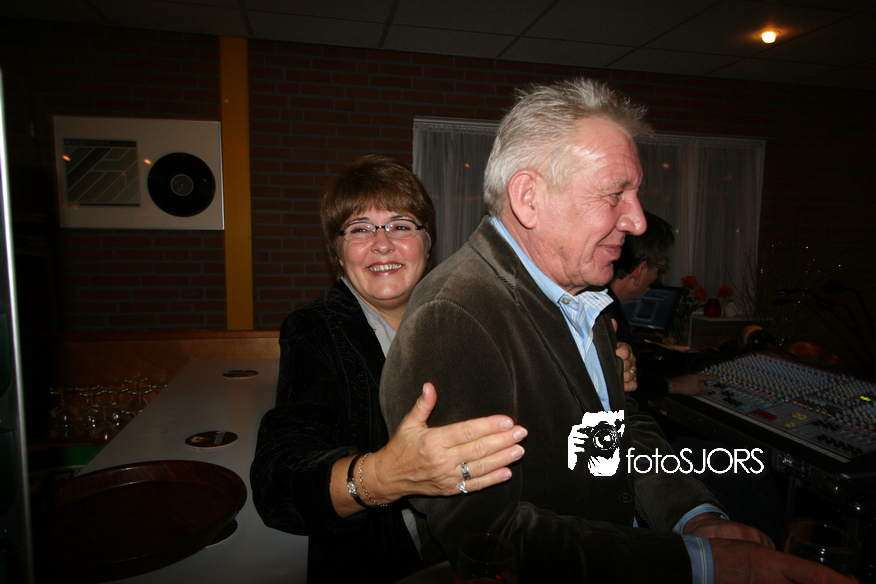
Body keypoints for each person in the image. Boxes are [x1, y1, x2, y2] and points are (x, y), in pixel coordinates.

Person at [380, 79, 855, 583]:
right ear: (529, 198)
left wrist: (693, 516)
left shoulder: (580, 293)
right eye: (614, 193)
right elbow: (488, 538)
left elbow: (614, 434)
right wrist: (706, 563)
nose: (637, 221)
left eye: (635, 193)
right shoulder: (457, 316)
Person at [249, 155, 528, 583]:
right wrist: (385, 476)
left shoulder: (465, 317)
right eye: (360, 229)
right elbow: (278, 485)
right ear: (337, 252)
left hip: (486, 546)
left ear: (427, 245)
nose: (382, 244)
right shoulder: (315, 331)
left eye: (400, 225)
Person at [607, 210, 713, 399]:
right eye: (660, 268)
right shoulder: (610, 319)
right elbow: (627, 391)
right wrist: (673, 385)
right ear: (639, 271)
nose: (657, 276)